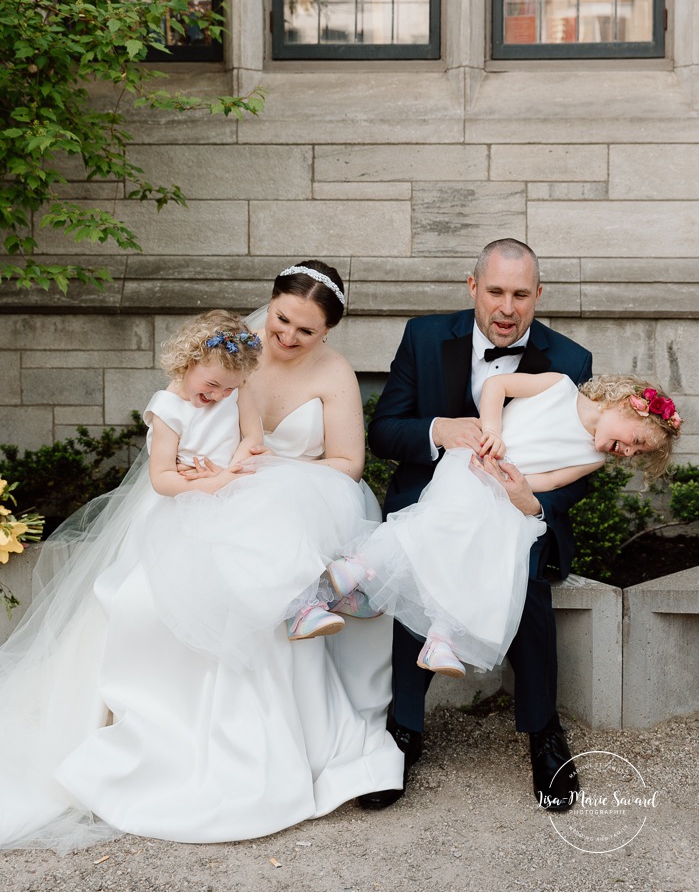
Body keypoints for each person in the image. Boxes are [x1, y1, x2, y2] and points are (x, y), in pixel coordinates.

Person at [0, 262, 403, 852]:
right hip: (206, 498)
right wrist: (202, 471)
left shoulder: (336, 373)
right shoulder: (230, 354)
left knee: (260, 568)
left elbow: (347, 464)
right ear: (269, 304)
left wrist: (262, 472)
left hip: (305, 499)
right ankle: (166, 734)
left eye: (305, 332)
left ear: (328, 334)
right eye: (282, 320)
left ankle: (281, 728)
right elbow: (188, 430)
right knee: (152, 594)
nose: (286, 337)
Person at [354, 237, 596, 814]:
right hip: (435, 496)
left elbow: (583, 463)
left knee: (527, 571)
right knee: (427, 551)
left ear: (538, 295)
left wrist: (532, 506)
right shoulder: (424, 335)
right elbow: (385, 430)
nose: (506, 308)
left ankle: (543, 730)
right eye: (494, 292)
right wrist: (442, 430)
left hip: (517, 508)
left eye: (520, 294)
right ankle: (403, 730)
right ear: (472, 288)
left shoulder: (571, 361)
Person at [328, 371, 681, 686]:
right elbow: (498, 384)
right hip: (474, 463)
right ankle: (359, 566)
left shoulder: (594, 458)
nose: (629, 452)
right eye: (635, 440)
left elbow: (553, 479)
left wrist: (517, 486)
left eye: (638, 453)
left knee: (498, 557)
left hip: (506, 492)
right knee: (439, 523)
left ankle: (442, 637)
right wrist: (491, 432)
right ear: (626, 405)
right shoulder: (559, 387)